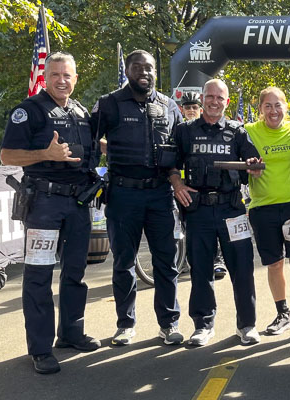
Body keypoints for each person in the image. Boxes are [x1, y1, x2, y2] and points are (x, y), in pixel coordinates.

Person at [0, 52, 100, 374]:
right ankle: (40, 349)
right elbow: (6, 155)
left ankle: (71, 333)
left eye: (67, 75)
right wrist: (46, 153)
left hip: (78, 205)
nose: (61, 80)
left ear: (75, 78)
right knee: (39, 277)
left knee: (75, 273)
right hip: (44, 204)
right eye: (55, 74)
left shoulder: (82, 112)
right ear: (45, 76)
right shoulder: (28, 111)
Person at [91, 50, 184, 347]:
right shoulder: (109, 104)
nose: (144, 72)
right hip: (123, 195)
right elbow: (89, 142)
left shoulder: (170, 106)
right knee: (124, 263)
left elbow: (184, 146)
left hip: (160, 194)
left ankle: (169, 324)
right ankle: (125, 324)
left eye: (149, 67)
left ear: (156, 71)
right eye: (137, 67)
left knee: (167, 264)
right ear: (127, 70)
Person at [172, 79, 263, 346]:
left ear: (226, 102)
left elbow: (254, 165)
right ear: (203, 98)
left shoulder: (237, 131)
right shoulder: (184, 131)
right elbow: (170, 164)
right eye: (210, 96)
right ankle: (203, 325)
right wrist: (177, 184)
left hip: (232, 209)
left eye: (220, 98)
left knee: (242, 268)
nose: (214, 101)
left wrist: (254, 167)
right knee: (200, 269)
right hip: (198, 210)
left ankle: (247, 325)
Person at [245, 87, 290, 343]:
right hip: (262, 207)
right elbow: (239, 162)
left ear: (286, 107)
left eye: (278, 105)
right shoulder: (249, 131)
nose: (273, 111)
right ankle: (282, 313)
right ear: (260, 109)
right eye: (268, 105)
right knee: (275, 264)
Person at [180, 91, 228, 280]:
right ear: (181, 110)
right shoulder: (181, 130)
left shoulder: (216, 128)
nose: (191, 111)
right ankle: (182, 259)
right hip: (183, 188)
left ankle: (217, 259)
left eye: (194, 107)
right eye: (187, 108)